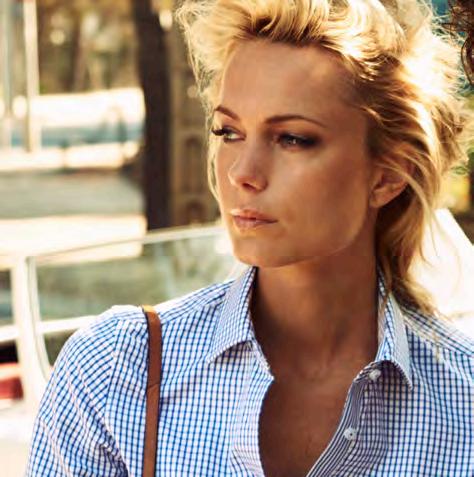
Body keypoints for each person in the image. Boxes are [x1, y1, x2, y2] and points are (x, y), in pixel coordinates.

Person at [26, 0, 474, 476]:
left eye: (292, 139)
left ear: (388, 174)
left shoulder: (463, 400)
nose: (243, 172)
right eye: (229, 132)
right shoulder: (115, 373)